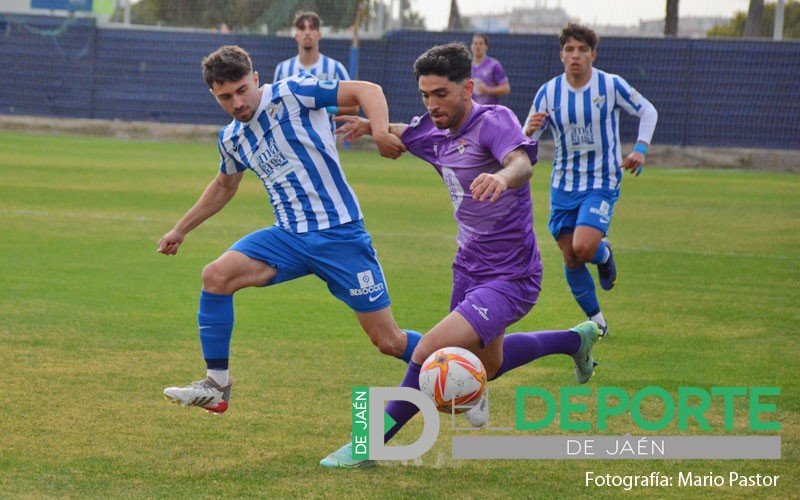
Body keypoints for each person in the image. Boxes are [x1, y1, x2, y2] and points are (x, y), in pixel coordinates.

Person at [319, 43, 600, 468]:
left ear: (468, 88)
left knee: (429, 351)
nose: (432, 104)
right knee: (489, 365)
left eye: (441, 94)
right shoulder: (435, 129)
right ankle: (575, 340)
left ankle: (365, 444)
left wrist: (503, 179)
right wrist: (372, 127)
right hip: (467, 269)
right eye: (425, 95)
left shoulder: (494, 121)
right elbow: (407, 131)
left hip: (512, 276)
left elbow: (521, 162)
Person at [159, 45, 422, 414]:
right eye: (225, 97)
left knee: (389, 341)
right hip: (288, 238)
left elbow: (368, 91)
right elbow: (224, 186)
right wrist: (180, 230)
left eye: (241, 90)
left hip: (340, 235)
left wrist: (379, 131)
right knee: (216, 276)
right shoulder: (233, 138)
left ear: (255, 79)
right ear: (213, 96)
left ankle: (466, 368)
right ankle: (217, 386)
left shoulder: (294, 92)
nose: (236, 103)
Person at [523, 23, 658, 336]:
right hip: (563, 184)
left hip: (601, 180)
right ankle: (598, 322)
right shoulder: (549, 92)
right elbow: (524, 139)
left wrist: (640, 149)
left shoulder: (610, 86)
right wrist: (527, 130)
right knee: (570, 256)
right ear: (561, 55)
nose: (576, 56)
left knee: (584, 247)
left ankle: (603, 252)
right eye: (570, 49)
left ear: (593, 55)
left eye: (582, 50)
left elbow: (648, 111)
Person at [273, 11, 357, 122]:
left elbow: (354, 106)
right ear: (296, 35)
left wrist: (332, 109)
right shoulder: (283, 69)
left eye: (312, 28)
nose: (307, 32)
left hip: (325, 138)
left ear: (319, 34)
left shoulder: (335, 67)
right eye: (302, 28)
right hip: (292, 138)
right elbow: (274, 107)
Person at [470, 33, 510, 105]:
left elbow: (506, 88)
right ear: (471, 46)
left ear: (486, 47)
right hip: (471, 111)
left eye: (481, 44)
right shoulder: (466, 66)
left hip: (489, 110)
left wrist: (487, 90)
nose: (478, 46)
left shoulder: (494, 65)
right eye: (475, 43)